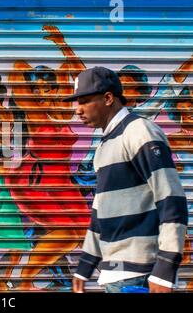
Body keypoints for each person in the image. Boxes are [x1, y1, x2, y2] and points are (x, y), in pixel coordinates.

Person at [67, 66, 188, 293]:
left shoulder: (139, 131)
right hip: (115, 273)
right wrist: (85, 266)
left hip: (140, 275)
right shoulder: (104, 145)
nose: (78, 110)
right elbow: (100, 212)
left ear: (108, 98)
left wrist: (165, 269)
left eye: (84, 101)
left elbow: (172, 199)